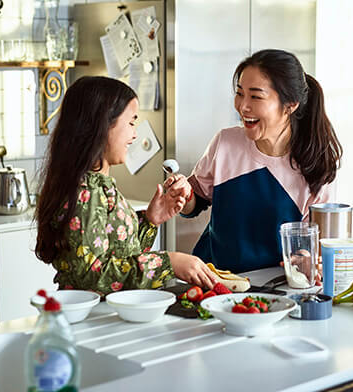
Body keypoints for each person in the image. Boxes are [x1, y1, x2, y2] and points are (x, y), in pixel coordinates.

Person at [35, 76, 217, 297]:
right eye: (131, 122)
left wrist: (151, 220)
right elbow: (93, 277)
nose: (134, 134)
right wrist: (168, 262)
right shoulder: (85, 193)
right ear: (101, 126)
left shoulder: (99, 186)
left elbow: (119, 258)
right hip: (93, 319)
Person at [167, 49, 342, 274]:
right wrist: (183, 194)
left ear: (290, 105)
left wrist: (307, 259)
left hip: (274, 286)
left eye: (256, 96)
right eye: (240, 93)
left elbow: (312, 244)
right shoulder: (226, 142)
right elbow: (195, 201)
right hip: (214, 280)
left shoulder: (317, 164)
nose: (242, 106)